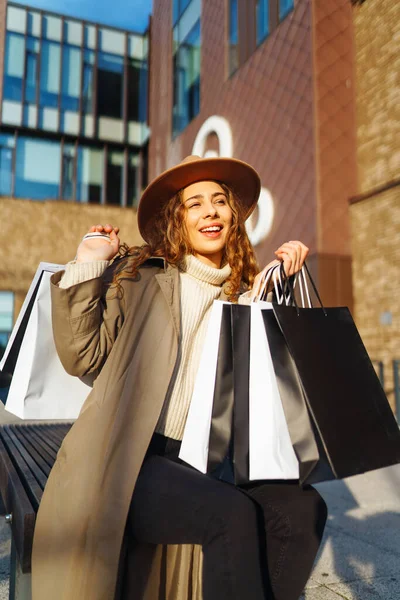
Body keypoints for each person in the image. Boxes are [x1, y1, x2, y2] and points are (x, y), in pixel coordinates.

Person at [32, 155, 327, 600]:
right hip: (135, 457)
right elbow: (82, 356)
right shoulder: (142, 280)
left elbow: (285, 381)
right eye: (194, 204)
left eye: (220, 201)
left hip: (209, 458)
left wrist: (284, 287)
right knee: (229, 514)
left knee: (305, 509)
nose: (210, 211)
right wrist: (89, 262)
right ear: (177, 219)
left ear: (233, 216)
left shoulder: (247, 296)